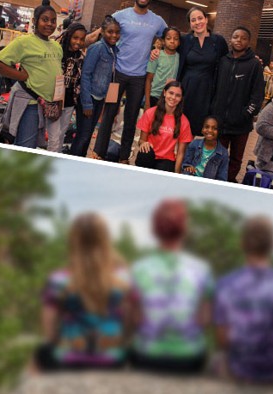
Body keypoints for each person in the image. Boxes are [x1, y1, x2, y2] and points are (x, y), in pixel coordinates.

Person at [34, 212, 131, 371]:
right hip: (113, 359)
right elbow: (129, 321)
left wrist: (53, 345)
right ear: (106, 240)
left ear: (73, 241)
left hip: (68, 359)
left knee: (40, 354)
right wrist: (123, 344)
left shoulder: (58, 280)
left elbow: (49, 327)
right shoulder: (123, 279)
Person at [214, 216, 273, 383]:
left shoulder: (225, 284)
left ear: (242, 244)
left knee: (216, 360)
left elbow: (223, 339)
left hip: (241, 371)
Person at [128, 199, 214, 374]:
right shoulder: (202, 269)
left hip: (146, 356)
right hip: (190, 358)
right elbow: (204, 320)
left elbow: (135, 320)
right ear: (184, 229)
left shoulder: (138, 269)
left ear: (154, 230)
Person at [92, 0, 167, 164]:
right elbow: (102, 32)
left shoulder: (157, 21)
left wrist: (158, 48)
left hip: (139, 78)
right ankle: (99, 151)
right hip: (117, 73)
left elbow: (168, 37)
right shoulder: (120, 15)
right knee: (109, 113)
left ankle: (124, 156)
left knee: (131, 118)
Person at [0, 3, 62, 149]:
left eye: (53, 20)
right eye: (45, 19)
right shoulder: (24, 42)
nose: (49, 24)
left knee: (33, 144)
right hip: (30, 102)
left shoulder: (56, 46)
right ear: (35, 21)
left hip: (48, 104)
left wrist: (58, 99)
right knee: (26, 145)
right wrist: (20, 76)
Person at [210, 26, 266, 183]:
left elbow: (258, 95)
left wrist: (246, 114)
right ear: (231, 39)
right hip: (220, 122)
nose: (239, 40)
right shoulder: (222, 61)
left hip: (241, 124)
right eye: (235, 37)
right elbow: (213, 87)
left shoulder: (255, 65)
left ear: (248, 42)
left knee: (235, 159)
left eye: (243, 38)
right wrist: (213, 111)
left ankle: (228, 181)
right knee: (216, 155)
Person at [175, 7, 228, 136]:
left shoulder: (218, 41)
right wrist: (155, 52)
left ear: (206, 19)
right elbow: (170, 51)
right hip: (188, 87)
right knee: (183, 127)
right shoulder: (184, 40)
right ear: (190, 24)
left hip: (208, 89)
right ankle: (181, 155)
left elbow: (229, 59)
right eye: (193, 20)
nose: (197, 22)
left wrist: (249, 59)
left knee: (204, 127)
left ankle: (198, 154)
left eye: (200, 18)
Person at [74, 16, 121, 157]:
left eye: (117, 32)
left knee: (88, 136)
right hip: (90, 98)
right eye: (110, 32)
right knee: (83, 135)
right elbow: (86, 75)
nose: (114, 35)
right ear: (103, 32)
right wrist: (87, 103)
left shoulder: (114, 51)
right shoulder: (97, 48)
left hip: (100, 98)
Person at [135, 81, 192, 173]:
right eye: (171, 93)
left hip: (166, 160)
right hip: (149, 155)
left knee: (164, 169)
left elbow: (181, 153)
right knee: (146, 153)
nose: (173, 97)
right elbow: (141, 140)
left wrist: (176, 175)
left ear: (181, 98)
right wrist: (143, 143)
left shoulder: (184, 121)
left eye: (177, 95)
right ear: (165, 93)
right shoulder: (150, 113)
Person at [46, 22, 86, 153]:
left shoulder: (81, 57)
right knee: (53, 137)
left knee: (61, 134)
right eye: (75, 38)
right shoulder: (57, 51)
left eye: (81, 39)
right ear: (69, 36)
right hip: (53, 99)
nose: (78, 42)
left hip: (69, 101)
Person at [144, 27, 181, 111]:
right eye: (168, 38)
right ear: (163, 41)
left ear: (179, 42)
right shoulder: (156, 56)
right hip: (155, 96)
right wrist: (147, 102)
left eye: (175, 39)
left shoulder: (180, 57)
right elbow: (149, 79)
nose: (172, 41)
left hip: (171, 98)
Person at [181, 116, 228, 181]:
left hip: (208, 186)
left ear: (219, 131)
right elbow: (186, 163)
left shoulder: (223, 153)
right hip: (191, 180)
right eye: (207, 127)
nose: (210, 130)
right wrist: (188, 167)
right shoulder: (194, 144)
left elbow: (222, 177)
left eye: (214, 128)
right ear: (202, 129)